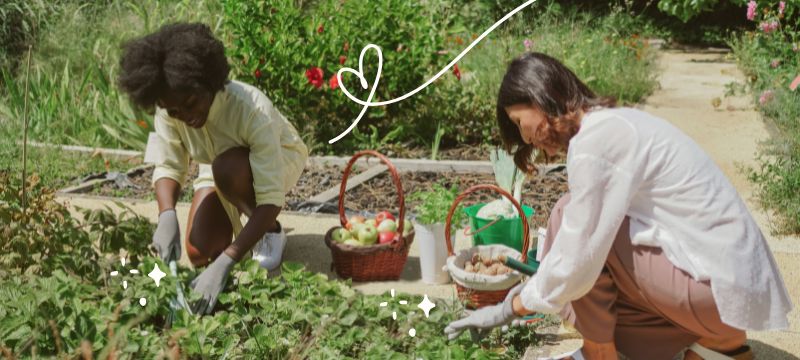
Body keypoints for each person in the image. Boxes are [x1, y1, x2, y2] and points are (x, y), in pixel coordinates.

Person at [444, 53, 792, 360]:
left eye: (520, 122)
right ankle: (721, 345)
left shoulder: (597, 140)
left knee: (572, 224)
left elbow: (578, 256)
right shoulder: (612, 123)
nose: (524, 138)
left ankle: (602, 355)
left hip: (719, 289)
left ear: (539, 94)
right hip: (728, 285)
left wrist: (508, 308)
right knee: (576, 224)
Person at [117, 23, 308, 315]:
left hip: (277, 159)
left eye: (191, 104)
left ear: (209, 82)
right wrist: (167, 214)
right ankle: (236, 238)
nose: (185, 116)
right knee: (199, 251)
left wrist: (228, 260)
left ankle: (271, 232)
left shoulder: (251, 109)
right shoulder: (171, 108)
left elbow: (270, 197)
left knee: (228, 169)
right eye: (175, 111)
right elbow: (169, 164)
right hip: (218, 166)